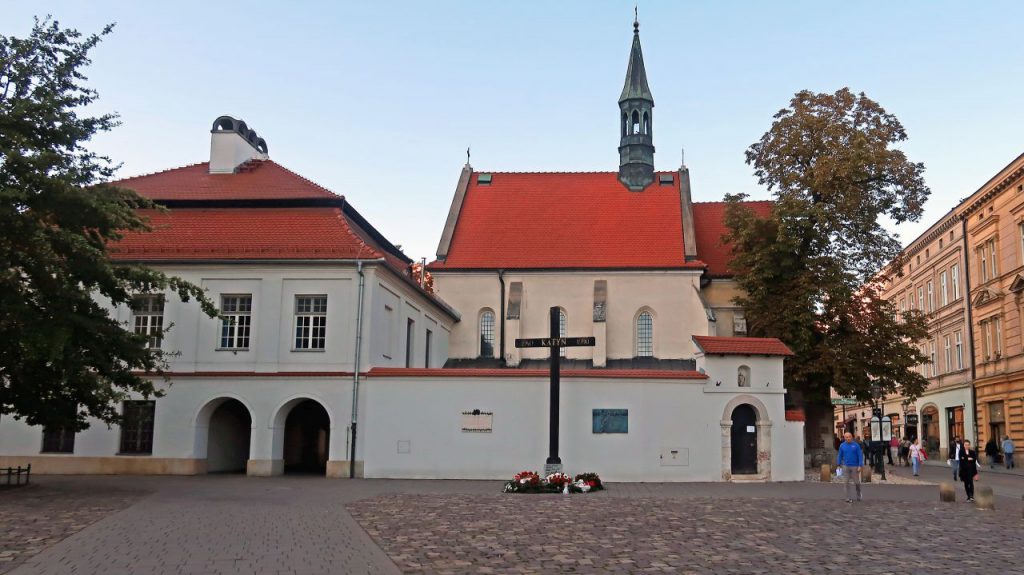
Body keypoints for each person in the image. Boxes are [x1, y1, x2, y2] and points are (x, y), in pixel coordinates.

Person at [836, 431, 864, 503]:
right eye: (846, 437)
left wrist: (860, 465)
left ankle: (858, 494)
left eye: (849, 437)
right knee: (846, 483)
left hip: (855, 466)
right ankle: (847, 498)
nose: (848, 438)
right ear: (844, 438)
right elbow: (840, 455)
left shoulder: (856, 445)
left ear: (852, 437)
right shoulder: (842, 445)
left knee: (857, 482)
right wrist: (838, 464)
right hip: (845, 466)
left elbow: (860, 455)